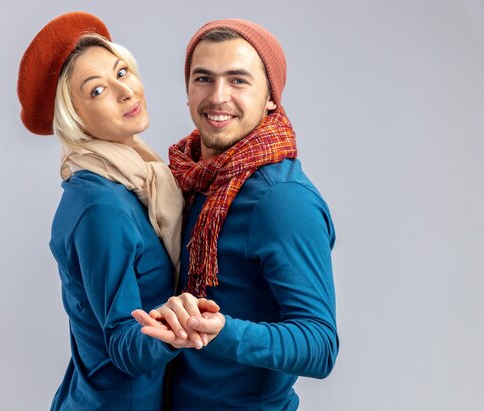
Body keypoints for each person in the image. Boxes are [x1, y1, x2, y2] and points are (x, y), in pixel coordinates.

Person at [133, 18, 339, 410]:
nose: (218, 96)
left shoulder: (281, 200)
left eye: (238, 80)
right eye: (204, 78)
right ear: (188, 90)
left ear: (271, 98)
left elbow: (320, 345)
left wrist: (222, 331)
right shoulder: (188, 180)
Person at [16, 12, 217, 411]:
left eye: (122, 72)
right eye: (96, 91)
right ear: (74, 120)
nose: (125, 92)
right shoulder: (100, 206)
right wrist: (178, 325)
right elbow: (125, 345)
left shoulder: (136, 178)